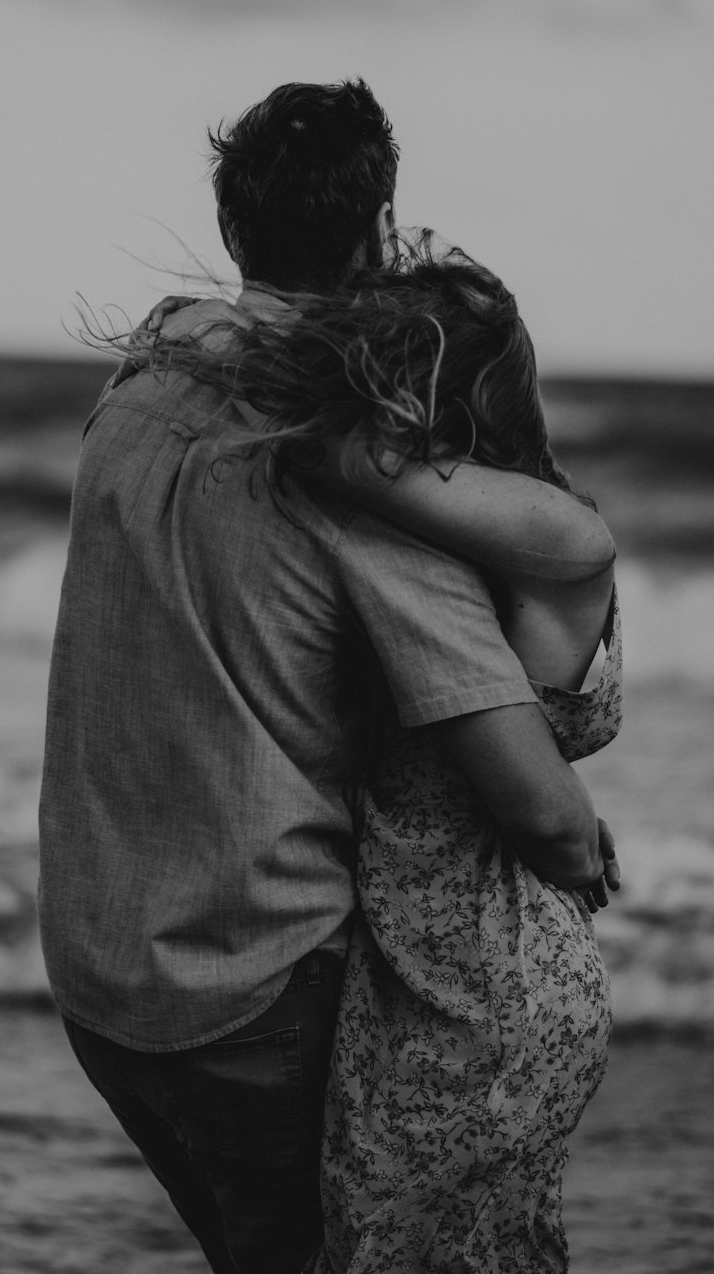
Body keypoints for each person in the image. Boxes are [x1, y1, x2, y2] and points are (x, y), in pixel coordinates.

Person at [38, 80, 616, 1274]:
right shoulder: (385, 508)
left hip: (97, 968)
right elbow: (544, 807)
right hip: (252, 979)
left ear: (234, 218)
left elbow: (205, 329)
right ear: (373, 227)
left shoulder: (133, 392)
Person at [139, 254, 622, 1272]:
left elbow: (333, 462)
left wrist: (569, 839)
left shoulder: (531, 539)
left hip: (470, 989)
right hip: (455, 965)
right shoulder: (499, 525)